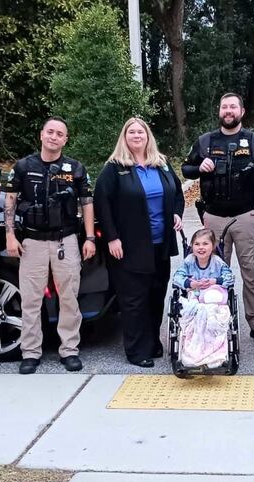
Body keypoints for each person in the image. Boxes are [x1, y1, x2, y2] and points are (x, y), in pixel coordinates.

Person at [3, 117, 95, 375]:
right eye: (50, 132)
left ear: (65, 139)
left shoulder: (75, 168)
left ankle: (69, 350)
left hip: (65, 240)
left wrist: (90, 238)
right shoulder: (23, 166)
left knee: (69, 298)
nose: (54, 137)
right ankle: (31, 352)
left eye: (60, 134)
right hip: (32, 241)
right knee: (30, 300)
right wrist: (10, 236)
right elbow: (10, 200)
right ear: (41, 134)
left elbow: (87, 202)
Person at [182, 92, 254, 346]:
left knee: (251, 271)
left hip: (247, 216)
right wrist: (200, 167)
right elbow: (186, 169)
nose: (228, 110)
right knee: (213, 271)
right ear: (219, 111)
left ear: (242, 111)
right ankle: (215, 318)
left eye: (233, 106)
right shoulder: (205, 141)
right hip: (214, 217)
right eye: (224, 107)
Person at [94, 117, 184, 367]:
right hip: (129, 246)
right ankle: (136, 350)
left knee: (157, 295)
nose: (136, 135)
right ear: (124, 137)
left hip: (160, 245)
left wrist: (176, 212)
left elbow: (177, 192)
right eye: (131, 132)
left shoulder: (161, 164)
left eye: (140, 132)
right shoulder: (114, 168)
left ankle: (153, 343)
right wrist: (112, 238)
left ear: (148, 136)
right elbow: (102, 204)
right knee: (134, 300)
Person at [172, 228, 235, 296]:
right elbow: (177, 277)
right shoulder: (188, 261)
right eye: (197, 244)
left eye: (205, 244)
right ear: (192, 246)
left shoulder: (218, 262)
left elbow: (230, 277)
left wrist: (215, 281)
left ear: (213, 246)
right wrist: (190, 284)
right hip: (192, 296)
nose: (201, 247)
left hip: (214, 296)